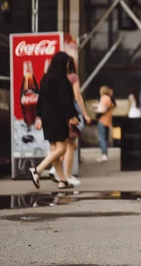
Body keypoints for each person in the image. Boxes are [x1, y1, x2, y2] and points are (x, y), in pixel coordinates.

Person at [28, 52, 80, 190]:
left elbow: (40, 99)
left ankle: (63, 181)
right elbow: (66, 101)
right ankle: (37, 170)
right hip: (58, 117)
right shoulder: (62, 79)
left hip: (47, 117)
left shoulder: (45, 78)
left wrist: (39, 116)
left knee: (54, 150)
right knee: (62, 148)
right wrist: (72, 116)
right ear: (64, 64)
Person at [49, 57, 91, 186]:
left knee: (61, 144)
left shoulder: (53, 77)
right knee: (70, 145)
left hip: (56, 114)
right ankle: (66, 176)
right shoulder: (73, 77)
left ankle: (55, 170)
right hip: (70, 113)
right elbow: (77, 96)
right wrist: (84, 114)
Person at [95, 85, 115, 163]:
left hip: (102, 120)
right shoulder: (109, 98)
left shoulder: (104, 98)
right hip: (108, 120)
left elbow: (102, 109)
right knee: (105, 138)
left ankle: (104, 154)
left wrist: (96, 109)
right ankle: (105, 154)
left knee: (101, 138)